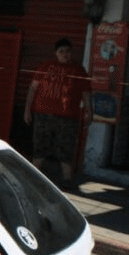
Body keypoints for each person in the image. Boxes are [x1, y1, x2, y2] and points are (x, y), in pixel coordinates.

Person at [24, 38, 92, 188]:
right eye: (61, 51)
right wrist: (27, 110)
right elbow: (33, 88)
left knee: (66, 146)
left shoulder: (78, 70)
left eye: (68, 51)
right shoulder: (45, 66)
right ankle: (34, 175)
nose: (65, 54)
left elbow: (86, 92)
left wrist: (89, 110)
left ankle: (67, 179)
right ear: (56, 53)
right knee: (40, 145)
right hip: (43, 114)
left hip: (68, 116)